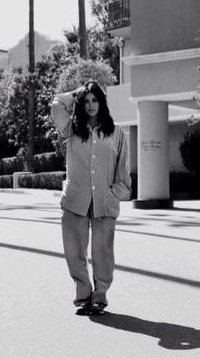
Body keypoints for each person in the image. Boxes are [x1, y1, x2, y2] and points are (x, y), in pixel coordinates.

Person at [51, 80, 132, 316]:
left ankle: (100, 296)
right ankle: (83, 295)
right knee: (74, 250)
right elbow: (57, 107)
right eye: (85, 101)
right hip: (76, 199)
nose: (90, 105)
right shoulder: (71, 129)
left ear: (101, 102)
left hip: (104, 200)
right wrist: (76, 93)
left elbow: (122, 169)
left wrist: (115, 193)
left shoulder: (116, 132)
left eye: (94, 100)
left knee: (103, 252)